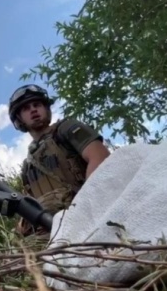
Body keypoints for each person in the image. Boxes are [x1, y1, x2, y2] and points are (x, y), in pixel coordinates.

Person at [8, 84, 111, 237]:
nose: (33, 110)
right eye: (26, 108)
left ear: (46, 108)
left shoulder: (65, 129)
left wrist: (84, 208)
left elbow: (100, 158)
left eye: (37, 104)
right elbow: (31, 202)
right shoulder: (27, 166)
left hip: (87, 218)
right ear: (19, 119)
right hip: (51, 231)